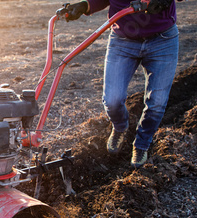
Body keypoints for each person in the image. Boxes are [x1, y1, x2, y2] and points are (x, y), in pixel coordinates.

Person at [61, 0, 179, 168]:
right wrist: (85, 6)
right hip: (123, 40)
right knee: (112, 100)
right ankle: (120, 127)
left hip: (162, 39)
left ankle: (141, 144)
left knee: (157, 102)